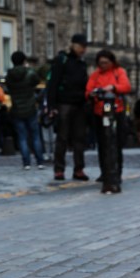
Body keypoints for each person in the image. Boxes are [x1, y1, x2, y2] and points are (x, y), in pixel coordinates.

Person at [85, 49, 132, 189]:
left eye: (106, 63)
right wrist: (93, 93)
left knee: (116, 143)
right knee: (103, 143)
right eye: (100, 63)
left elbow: (126, 86)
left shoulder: (119, 72)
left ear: (112, 62)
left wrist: (113, 87)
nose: (103, 65)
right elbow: (88, 91)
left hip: (116, 111)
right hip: (99, 113)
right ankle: (104, 172)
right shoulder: (95, 75)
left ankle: (117, 171)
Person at [47, 33, 89, 181]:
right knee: (62, 138)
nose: (83, 50)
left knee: (80, 138)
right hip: (64, 103)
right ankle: (59, 169)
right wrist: (51, 105)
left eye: (85, 47)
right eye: (81, 46)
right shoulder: (61, 60)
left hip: (80, 104)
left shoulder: (82, 63)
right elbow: (52, 84)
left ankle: (79, 169)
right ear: (73, 45)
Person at [5, 50, 45, 170]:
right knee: (35, 136)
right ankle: (39, 161)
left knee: (22, 137)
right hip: (30, 108)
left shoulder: (9, 76)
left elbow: (9, 88)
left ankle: (26, 163)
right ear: (23, 61)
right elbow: (37, 81)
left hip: (17, 109)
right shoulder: (29, 73)